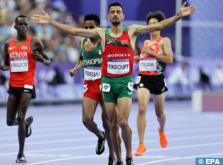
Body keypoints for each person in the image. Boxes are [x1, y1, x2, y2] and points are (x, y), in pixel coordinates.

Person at [31, 2, 197, 165]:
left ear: (123, 16)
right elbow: (74, 31)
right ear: (108, 16)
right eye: (113, 12)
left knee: (124, 122)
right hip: (108, 83)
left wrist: (178, 16)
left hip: (124, 82)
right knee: (112, 124)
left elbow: (157, 26)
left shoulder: (132, 31)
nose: (116, 14)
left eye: (118, 11)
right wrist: (52, 22)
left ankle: (129, 155)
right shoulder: (102, 33)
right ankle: (118, 159)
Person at [0, 15, 51, 163]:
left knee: (20, 116)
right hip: (13, 85)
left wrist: (42, 60)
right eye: (20, 25)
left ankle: (21, 154)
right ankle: (25, 124)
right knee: (9, 121)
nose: (23, 27)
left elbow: (49, 62)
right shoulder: (8, 44)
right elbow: (7, 65)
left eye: (26, 25)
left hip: (27, 84)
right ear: (15, 27)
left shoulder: (35, 42)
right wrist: (0, 66)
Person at [69, 14, 115, 165]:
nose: (88, 30)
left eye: (92, 27)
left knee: (107, 122)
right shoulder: (83, 41)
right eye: (86, 27)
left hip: (105, 83)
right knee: (86, 120)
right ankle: (100, 136)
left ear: (99, 27)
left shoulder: (105, 40)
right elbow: (82, 58)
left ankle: (112, 156)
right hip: (89, 84)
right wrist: (75, 69)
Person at [133, 11, 173, 156]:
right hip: (144, 78)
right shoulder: (145, 43)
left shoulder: (164, 41)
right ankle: (141, 144)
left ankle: (161, 130)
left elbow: (169, 59)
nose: (151, 26)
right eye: (149, 24)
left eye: (154, 24)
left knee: (159, 113)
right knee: (142, 108)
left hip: (157, 79)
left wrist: (151, 52)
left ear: (160, 26)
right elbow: (146, 58)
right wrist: (139, 59)